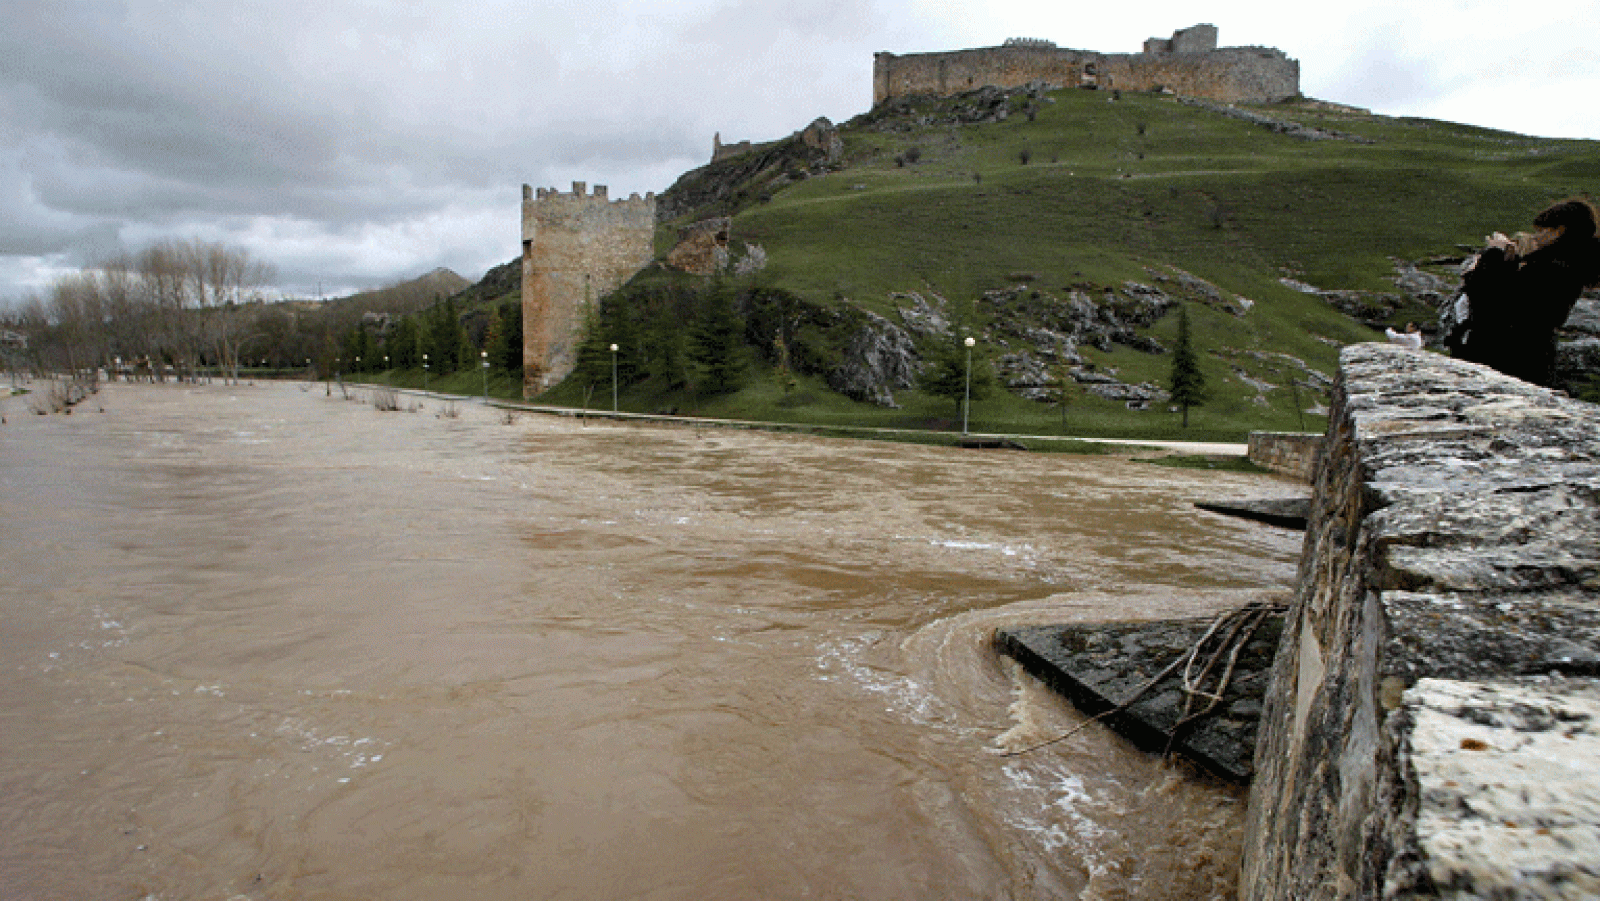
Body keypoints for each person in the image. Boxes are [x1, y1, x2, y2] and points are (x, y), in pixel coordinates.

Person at [1453, 198, 1600, 386]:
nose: (1537, 236)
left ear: (1559, 231)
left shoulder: (1552, 268)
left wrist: (1494, 254)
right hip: (1532, 358)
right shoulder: (1568, 266)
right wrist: (1511, 262)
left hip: (1509, 358)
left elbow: (1492, 300)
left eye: (1543, 230)